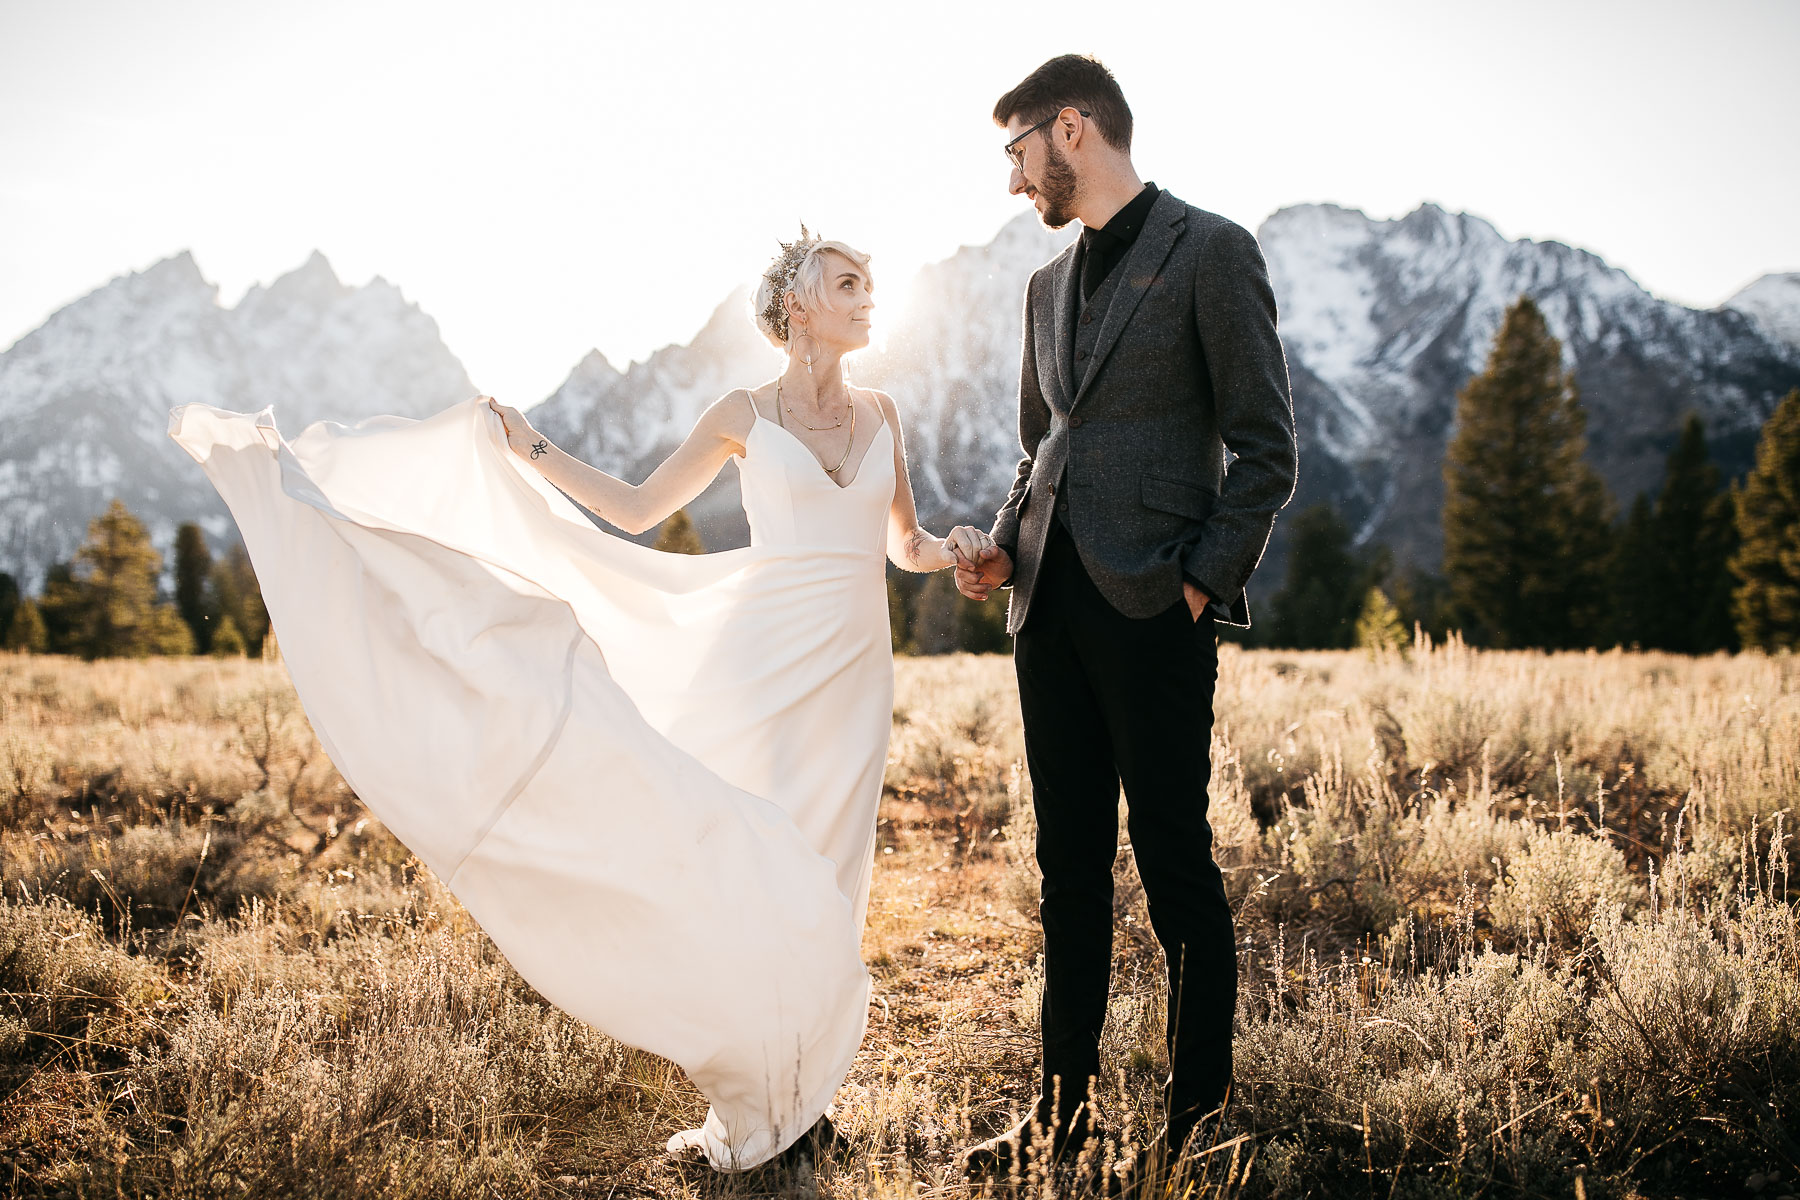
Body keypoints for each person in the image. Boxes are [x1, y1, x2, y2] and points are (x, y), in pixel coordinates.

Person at [168, 228, 968, 1172]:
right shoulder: (743, 411)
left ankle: (801, 1089)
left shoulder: (884, 412)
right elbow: (634, 510)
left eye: (871, 283)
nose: (868, 295)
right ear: (797, 306)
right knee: (758, 861)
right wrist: (530, 446)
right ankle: (773, 1094)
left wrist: (950, 550)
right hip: (762, 663)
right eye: (847, 282)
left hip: (856, 671)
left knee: (835, 876)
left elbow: (900, 542)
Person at [949, 54, 1298, 1174]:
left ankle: (1196, 1129)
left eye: (1017, 152)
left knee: (1173, 865)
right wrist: (1003, 548)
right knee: (1067, 871)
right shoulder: (1043, 291)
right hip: (1047, 611)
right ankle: (1061, 1117)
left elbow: (1268, 449)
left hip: (1156, 607)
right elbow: (1037, 450)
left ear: (1072, 129)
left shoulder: (1212, 251)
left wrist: (1200, 582)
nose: (1012, 181)